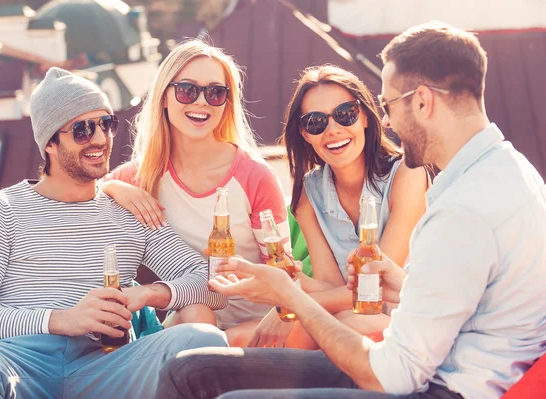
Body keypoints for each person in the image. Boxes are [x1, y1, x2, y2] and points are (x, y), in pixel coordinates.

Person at [154, 21, 546, 399]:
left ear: (422, 101)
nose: (387, 119)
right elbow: (466, 302)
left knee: (220, 389)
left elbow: (397, 373)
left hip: (439, 385)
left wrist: (292, 298)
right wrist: (397, 281)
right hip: (433, 362)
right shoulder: (505, 172)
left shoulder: (462, 208)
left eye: (388, 104)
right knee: (193, 369)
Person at [0, 67, 229, 398]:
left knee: (203, 342)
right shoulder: (2, 211)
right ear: (50, 142)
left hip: (108, 365)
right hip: (19, 364)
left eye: (106, 124)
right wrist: (64, 319)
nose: (99, 139)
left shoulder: (131, 210)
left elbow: (214, 289)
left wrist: (149, 294)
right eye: (81, 129)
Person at [229, 65, 428, 348]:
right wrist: (295, 286)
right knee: (237, 339)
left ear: (365, 118)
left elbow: (376, 287)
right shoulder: (308, 193)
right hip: (347, 316)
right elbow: (332, 287)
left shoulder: (409, 173)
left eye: (346, 114)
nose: (333, 130)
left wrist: (290, 301)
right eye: (315, 122)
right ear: (304, 133)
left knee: (339, 328)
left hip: (411, 318)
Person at [100, 39, 290, 334]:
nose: (201, 102)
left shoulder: (256, 177)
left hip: (259, 327)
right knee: (197, 314)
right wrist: (114, 189)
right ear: (164, 97)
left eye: (215, 93)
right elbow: (83, 197)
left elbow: (282, 274)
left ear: (226, 103)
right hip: (192, 322)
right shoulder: (142, 176)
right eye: (187, 90)